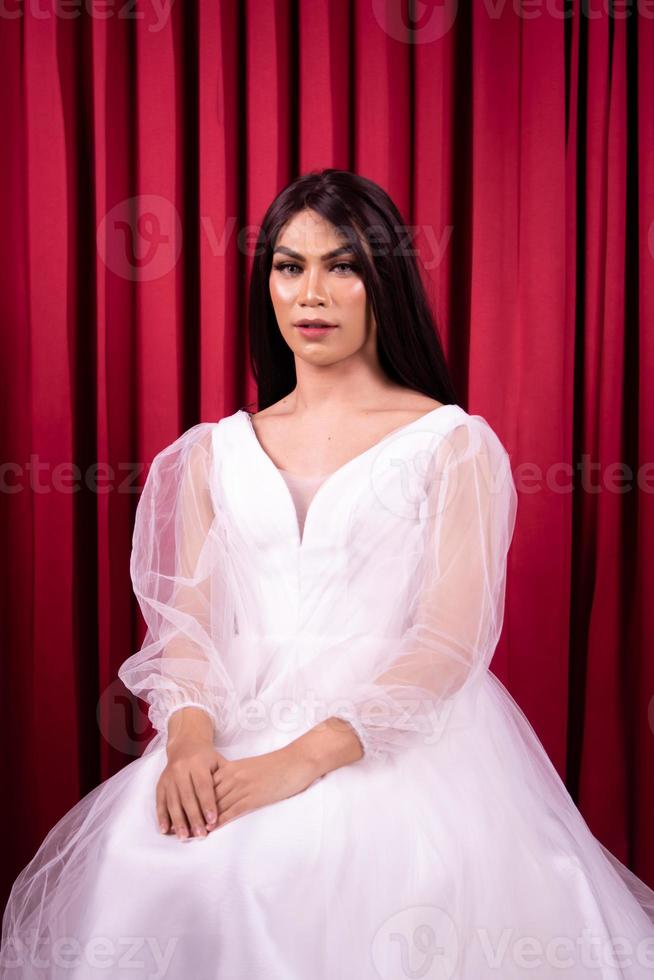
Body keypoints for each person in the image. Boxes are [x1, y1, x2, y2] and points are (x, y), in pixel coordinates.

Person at [2, 169, 654, 979]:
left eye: (341, 265)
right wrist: (189, 741)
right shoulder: (212, 452)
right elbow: (187, 628)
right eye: (289, 265)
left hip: (397, 746)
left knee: (286, 874)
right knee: (163, 866)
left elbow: (447, 642)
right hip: (232, 728)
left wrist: (299, 761)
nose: (311, 293)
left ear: (384, 281)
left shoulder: (451, 443)